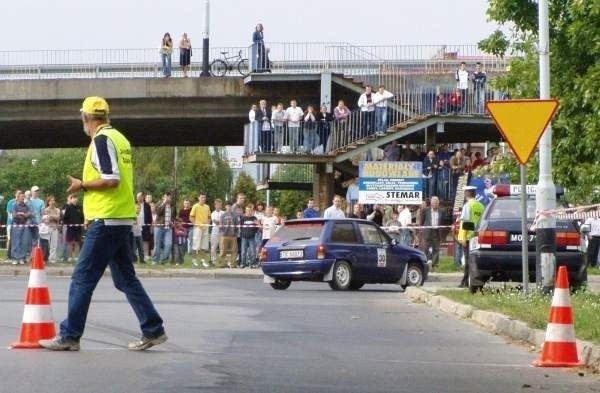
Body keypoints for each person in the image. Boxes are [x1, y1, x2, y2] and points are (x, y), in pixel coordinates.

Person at [40, 96, 166, 351]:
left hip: (107, 220)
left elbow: (111, 179)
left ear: (87, 118)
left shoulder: (100, 140)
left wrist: (82, 185)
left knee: (82, 278)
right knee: (125, 279)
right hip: (118, 217)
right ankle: (153, 329)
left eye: (82, 118)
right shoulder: (121, 139)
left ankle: (70, 336)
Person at [458, 186, 485, 288]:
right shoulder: (481, 206)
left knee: (469, 260)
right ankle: (469, 280)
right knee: (474, 260)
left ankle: (466, 282)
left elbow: (466, 222)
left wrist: (464, 237)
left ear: (466, 194)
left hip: (468, 238)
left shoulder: (468, 206)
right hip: (477, 237)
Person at [422, 196, 450, 270]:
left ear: (438, 203)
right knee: (426, 248)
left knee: (436, 248)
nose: (434, 204)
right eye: (433, 203)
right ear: (431, 203)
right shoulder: (426, 210)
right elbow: (423, 220)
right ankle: (426, 263)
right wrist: (423, 230)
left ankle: (435, 265)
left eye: (436, 203)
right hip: (428, 231)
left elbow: (442, 222)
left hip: (437, 232)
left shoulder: (442, 211)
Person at [152, 192, 174, 264]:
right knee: (157, 244)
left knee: (169, 244)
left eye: (169, 197)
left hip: (168, 228)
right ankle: (155, 260)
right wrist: (164, 203)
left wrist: (172, 221)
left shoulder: (172, 205)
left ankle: (164, 261)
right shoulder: (159, 203)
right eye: (166, 197)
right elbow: (158, 212)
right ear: (163, 197)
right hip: (159, 226)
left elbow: (174, 215)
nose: (168, 198)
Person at [190, 192, 211, 265]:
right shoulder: (195, 206)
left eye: (204, 197)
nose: (203, 199)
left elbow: (209, 217)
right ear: (198, 198)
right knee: (196, 245)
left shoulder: (207, 207)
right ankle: (194, 260)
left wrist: (207, 224)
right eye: (202, 197)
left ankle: (203, 260)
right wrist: (196, 224)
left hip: (205, 228)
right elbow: (191, 217)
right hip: (197, 228)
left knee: (204, 245)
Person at [62, 193, 84, 262]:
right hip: (70, 228)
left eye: (76, 198)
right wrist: (68, 224)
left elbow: (82, 218)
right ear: (70, 200)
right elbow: (65, 218)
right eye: (73, 198)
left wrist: (81, 224)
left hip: (78, 228)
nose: (75, 199)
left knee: (77, 242)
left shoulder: (80, 207)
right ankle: (70, 257)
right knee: (70, 243)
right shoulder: (68, 208)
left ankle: (77, 257)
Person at [10, 190, 30, 265]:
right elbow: (14, 215)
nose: (22, 198)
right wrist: (22, 214)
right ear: (18, 197)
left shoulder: (26, 206)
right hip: (16, 224)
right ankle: (15, 258)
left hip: (24, 224)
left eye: (23, 197)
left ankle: (22, 258)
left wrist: (23, 214)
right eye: (21, 196)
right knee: (16, 242)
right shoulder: (14, 205)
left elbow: (29, 214)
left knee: (24, 242)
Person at [42, 195, 61, 263]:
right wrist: (52, 217)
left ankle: (52, 258)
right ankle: (46, 257)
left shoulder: (57, 210)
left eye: (53, 200)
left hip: (55, 228)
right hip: (47, 228)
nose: (53, 202)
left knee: (54, 244)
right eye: (51, 200)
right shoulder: (45, 210)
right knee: (47, 244)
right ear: (48, 202)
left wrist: (51, 216)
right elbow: (45, 219)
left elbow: (58, 217)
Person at [210, 198, 224, 266]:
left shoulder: (223, 213)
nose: (219, 206)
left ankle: (222, 260)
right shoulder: (213, 213)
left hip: (222, 231)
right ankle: (213, 260)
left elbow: (224, 222)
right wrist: (221, 222)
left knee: (222, 247)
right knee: (214, 246)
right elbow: (215, 221)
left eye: (220, 205)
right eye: (217, 205)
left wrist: (221, 222)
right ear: (215, 205)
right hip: (215, 231)